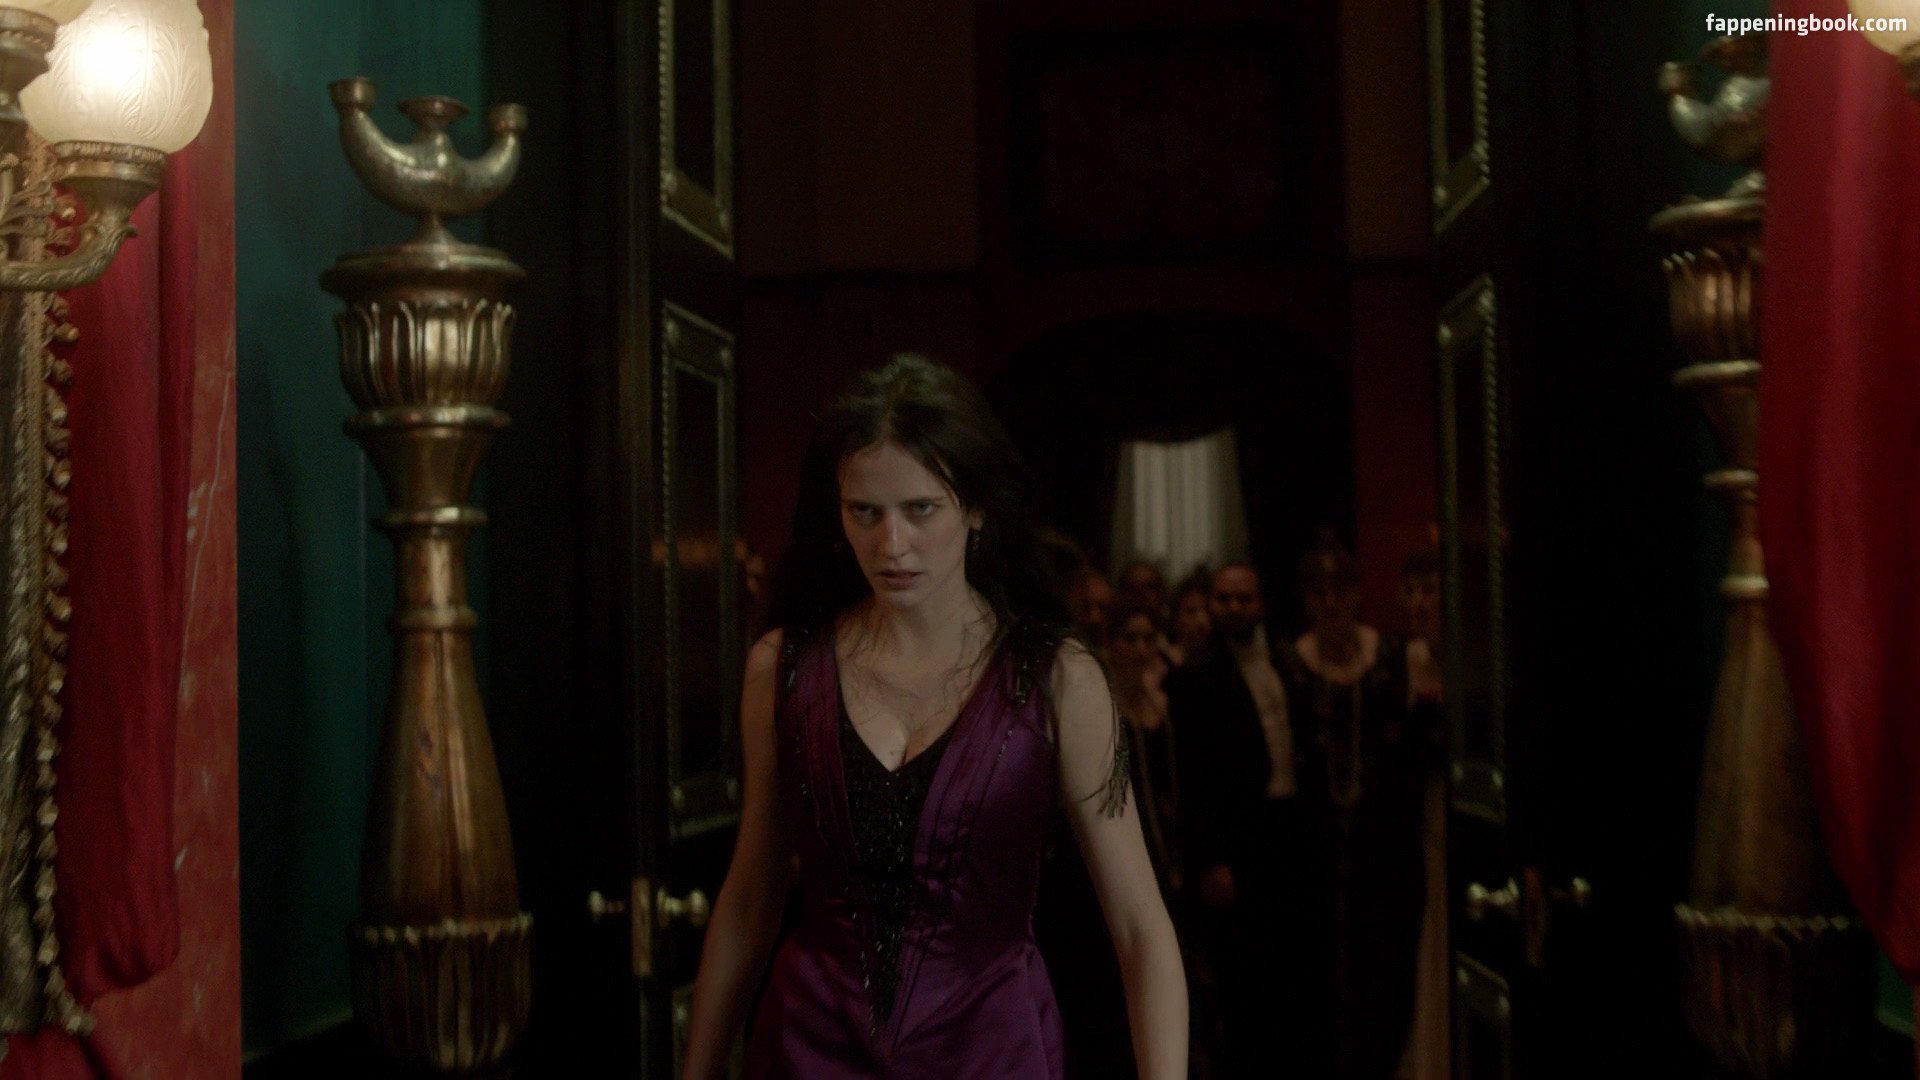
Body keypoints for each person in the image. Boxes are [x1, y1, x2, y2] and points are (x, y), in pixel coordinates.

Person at [680, 355, 1187, 1080]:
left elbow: (1141, 928)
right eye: (865, 512)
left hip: (993, 1051)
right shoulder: (783, 668)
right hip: (805, 1050)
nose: (892, 544)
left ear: (975, 509)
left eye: (921, 509)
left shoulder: (1058, 677)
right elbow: (749, 900)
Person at [1165, 563, 1329, 1076]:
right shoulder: (1195, 674)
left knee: (1295, 961)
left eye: (1244, 599)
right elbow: (1191, 778)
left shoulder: (1286, 659)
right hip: (1237, 838)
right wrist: (1211, 858)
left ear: (1261, 603)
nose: (1234, 608)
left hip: (1290, 827)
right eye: (1224, 599)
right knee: (1242, 970)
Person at [1277, 542, 1424, 1080]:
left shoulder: (1392, 656)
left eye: (1341, 590)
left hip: (1385, 842)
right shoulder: (1289, 662)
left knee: (1383, 961)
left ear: (1357, 594)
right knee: (1322, 965)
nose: (1332, 602)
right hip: (1314, 843)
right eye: (1320, 592)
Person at [1164, 570, 1212, 669]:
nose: (1202, 619)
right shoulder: (1163, 662)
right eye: (1191, 611)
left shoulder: (1225, 658)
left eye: (1208, 611)